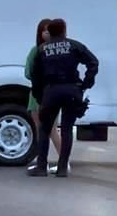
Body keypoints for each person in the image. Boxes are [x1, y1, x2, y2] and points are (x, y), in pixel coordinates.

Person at [28, 18, 99, 178]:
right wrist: (85, 84)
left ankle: (41, 167)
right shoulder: (74, 45)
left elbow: (35, 76)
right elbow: (93, 62)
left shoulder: (42, 49)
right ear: (64, 30)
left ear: (50, 32)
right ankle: (61, 168)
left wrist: (40, 96)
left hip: (51, 91)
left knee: (44, 129)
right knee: (67, 129)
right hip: (72, 90)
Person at [25, 19, 63, 172]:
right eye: (44, 30)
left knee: (51, 129)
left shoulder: (40, 51)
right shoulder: (37, 51)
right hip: (39, 95)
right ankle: (45, 162)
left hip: (45, 94)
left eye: (50, 30)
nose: (47, 33)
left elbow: (29, 73)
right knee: (42, 130)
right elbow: (28, 72)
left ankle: (60, 161)